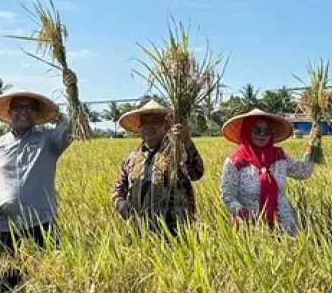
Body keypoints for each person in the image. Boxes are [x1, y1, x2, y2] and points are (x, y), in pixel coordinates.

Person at [0, 70, 77, 252]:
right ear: (9, 112)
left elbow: (74, 123)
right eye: (18, 108)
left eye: (29, 108)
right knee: (8, 278)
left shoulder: (50, 141)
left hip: (42, 226)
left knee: (48, 277)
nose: (24, 112)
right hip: (5, 227)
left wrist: (72, 90)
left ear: (36, 115)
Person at [112, 100, 204, 235]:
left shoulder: (177, 151)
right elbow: (119, 188)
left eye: (155, 121)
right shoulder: (131, 159)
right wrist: (120, 202)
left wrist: (186, 141)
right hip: (140, 233)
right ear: (139, 127)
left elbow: (196, 173)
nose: (149, 126)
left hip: (177, 234)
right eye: (144, 122)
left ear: (166, 125)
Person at [219, 109, 314, 236]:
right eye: (257, 130)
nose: (262, 135)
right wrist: (241, 212)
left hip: (287, 226)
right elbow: (228, 196)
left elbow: (304, 171)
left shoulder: (279, 157)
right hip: (252, 228)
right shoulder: (235, 162)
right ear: (247, 131)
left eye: (267, 131)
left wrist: (313, 143)